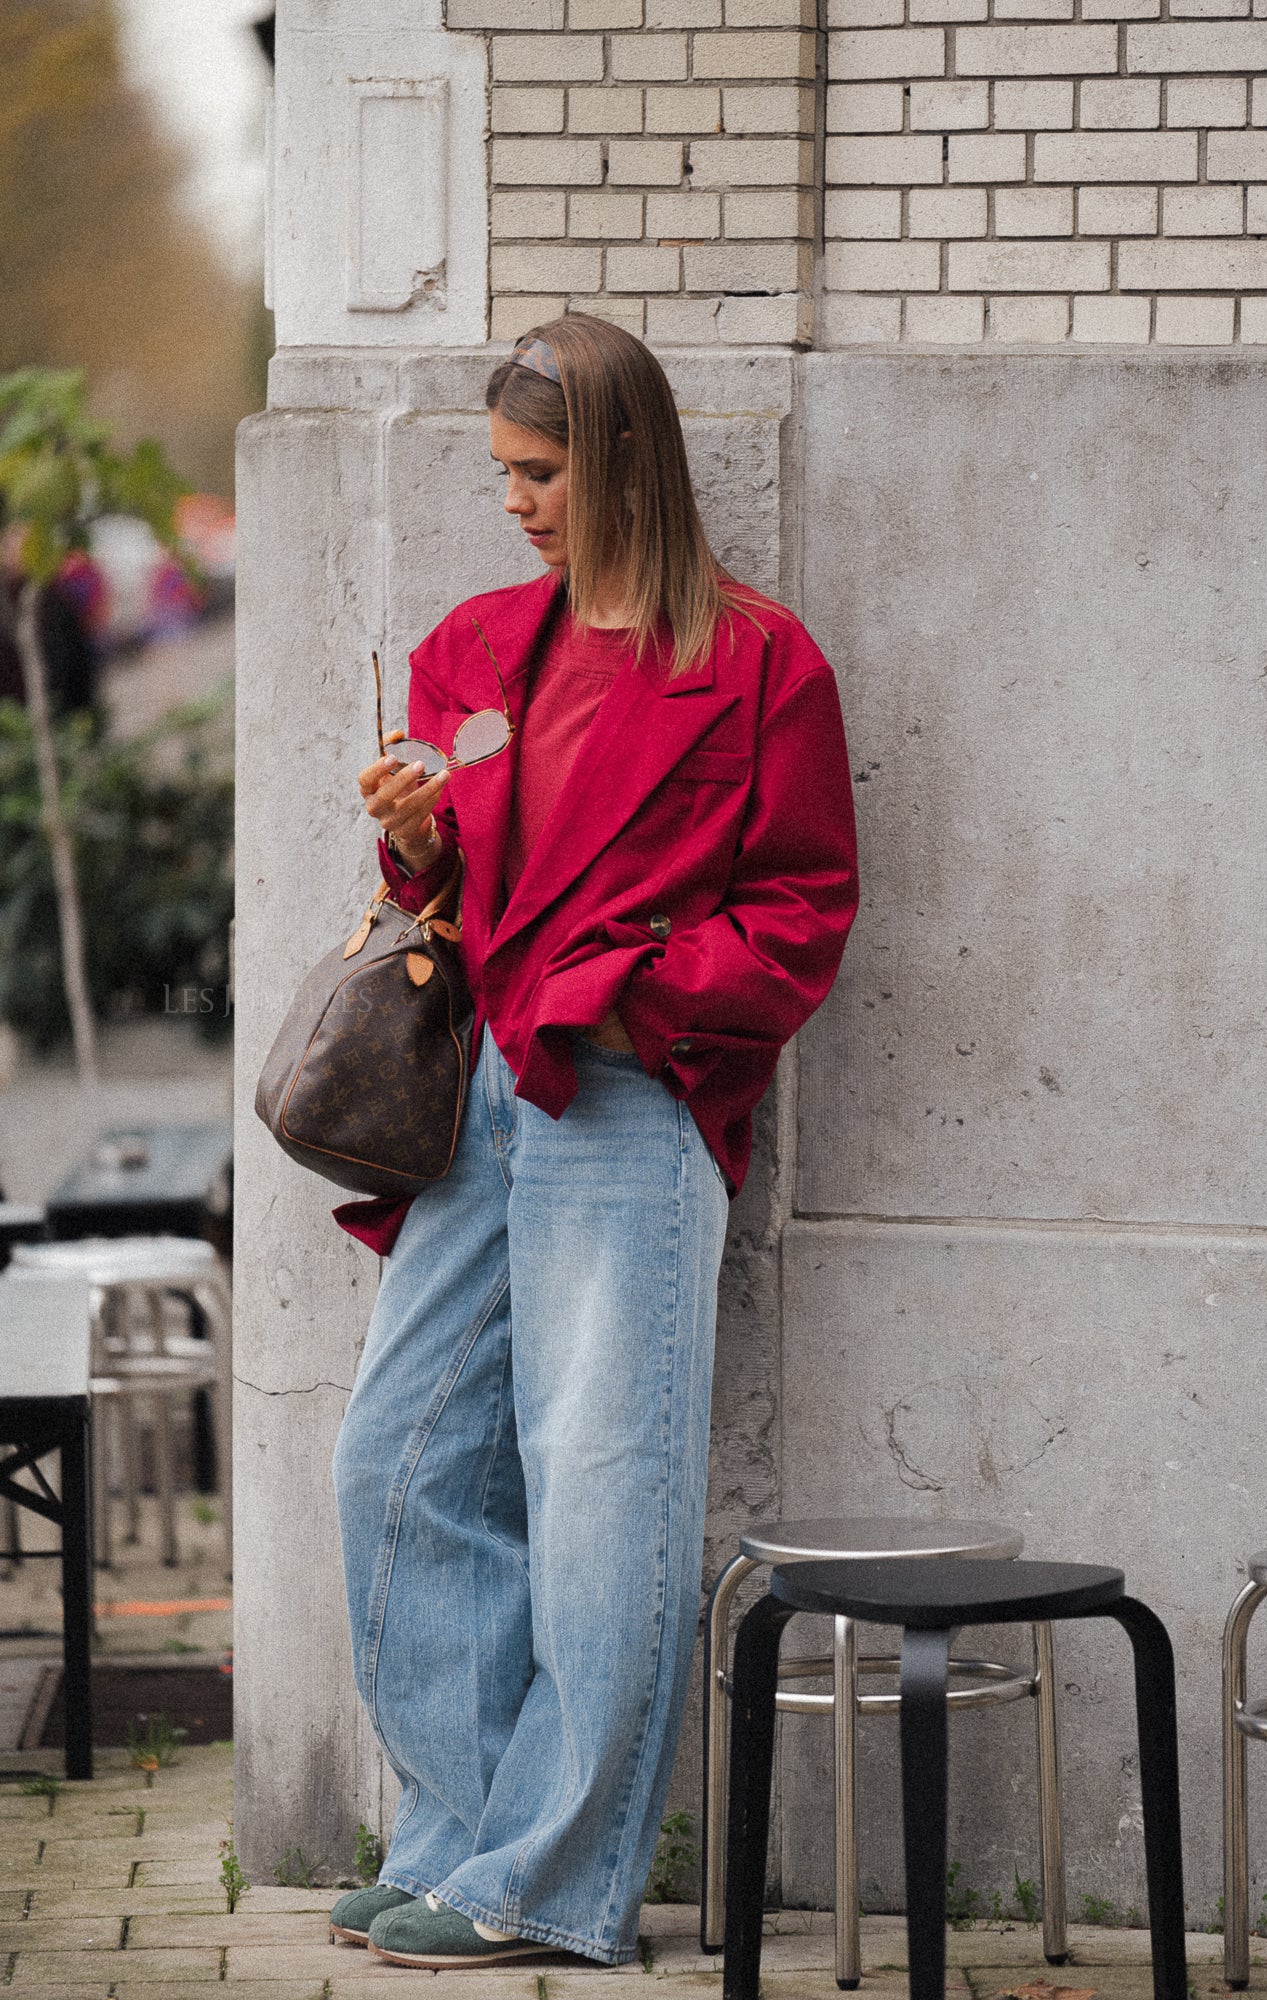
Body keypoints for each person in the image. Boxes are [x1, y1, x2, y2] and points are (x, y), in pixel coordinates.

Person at [328, 314, 859, 1973]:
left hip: (633, 1098)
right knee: (393, 1465)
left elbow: (800, 918)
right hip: (480, 1087)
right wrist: (419, 849)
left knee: (595, 1486)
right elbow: (448, 896)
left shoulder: (761, 664)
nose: (514, 504)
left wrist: (638, 1005)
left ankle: (548, 1884)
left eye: (539, 473)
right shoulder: (480, 648)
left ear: (624, 461)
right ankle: (460, 1835)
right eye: (501, 474)